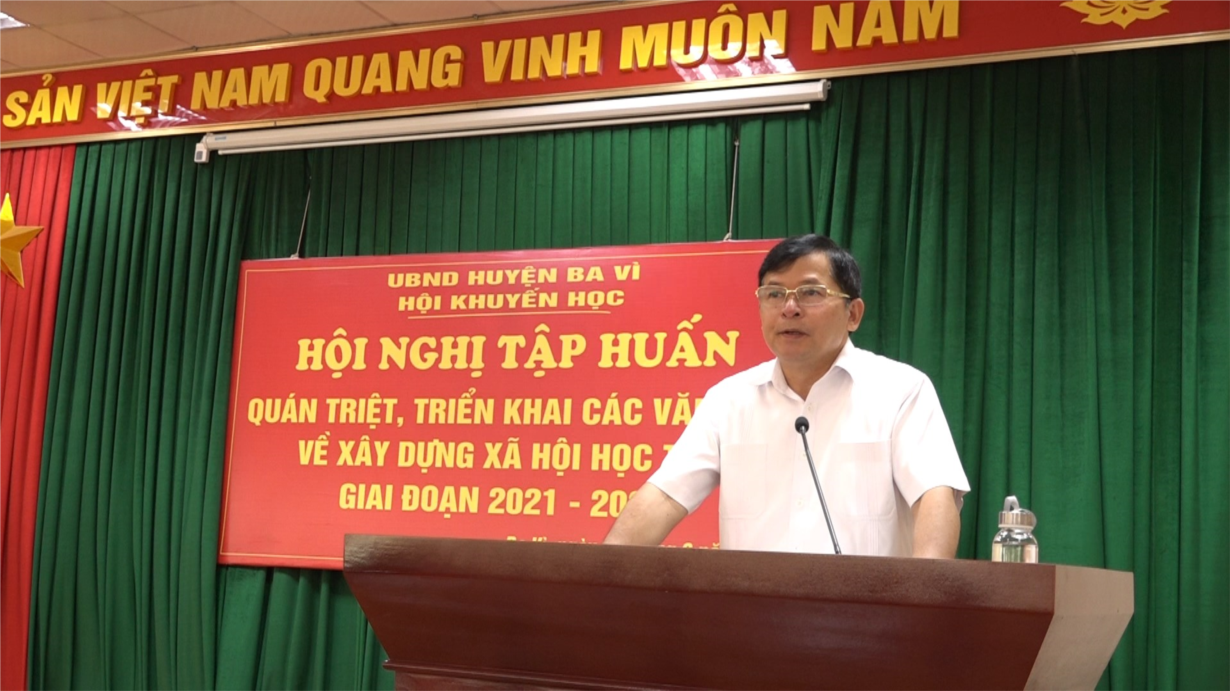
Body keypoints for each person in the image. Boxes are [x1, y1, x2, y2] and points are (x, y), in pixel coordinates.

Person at [603, 234, 970, 558]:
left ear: (853, 314)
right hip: (754, 611)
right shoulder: (728, 401)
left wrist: (924, 598)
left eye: (810, 293)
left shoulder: (901, 391)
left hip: (868, 612)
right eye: (774, 294)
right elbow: (665, 497)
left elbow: (934, 496)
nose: (789, 308)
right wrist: (600, 575)